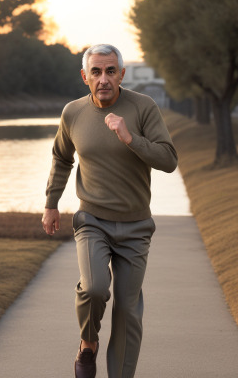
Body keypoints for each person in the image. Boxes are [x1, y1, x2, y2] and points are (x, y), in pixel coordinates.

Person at [42, 44, 178, 378]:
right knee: (94, 288)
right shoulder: (72, 113)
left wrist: (131, 138)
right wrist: (50, 204)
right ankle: (88, 342)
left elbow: (169, 160)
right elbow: (61, 159)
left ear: (122, 73)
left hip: (136, 226)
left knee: (128, 313)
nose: (104, 79)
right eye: (97, 72)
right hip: (92, 221)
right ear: (84, 76)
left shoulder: (143, 107)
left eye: (111, 71)